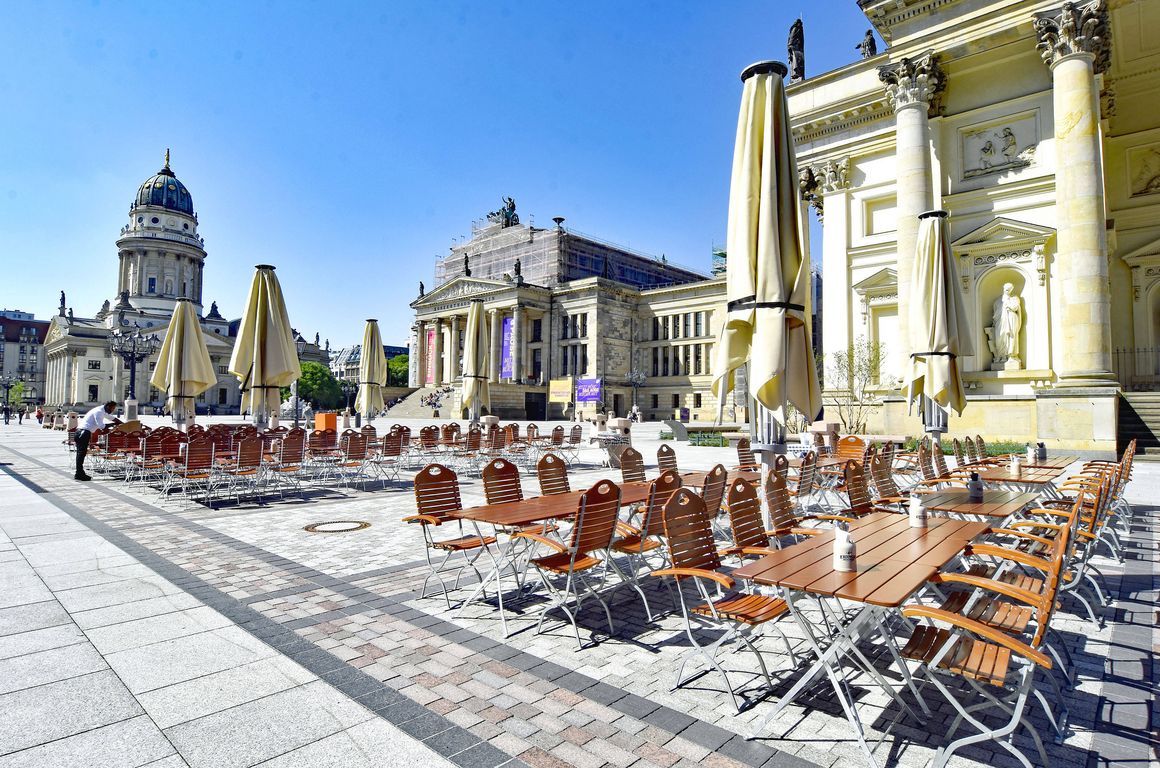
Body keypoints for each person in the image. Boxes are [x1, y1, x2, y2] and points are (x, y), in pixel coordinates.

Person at [74, 401, 121, 481]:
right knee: (81, 454)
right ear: (108, 407)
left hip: (83, 432)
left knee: (81, 453)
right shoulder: (99, 412)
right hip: (83, 432)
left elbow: (112, 418)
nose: (113, 410)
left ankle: (79, 473)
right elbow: (102, 426)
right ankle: (79, 473)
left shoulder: (102, 410)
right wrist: (113, 424)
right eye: (112, 408)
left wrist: (122, 423)